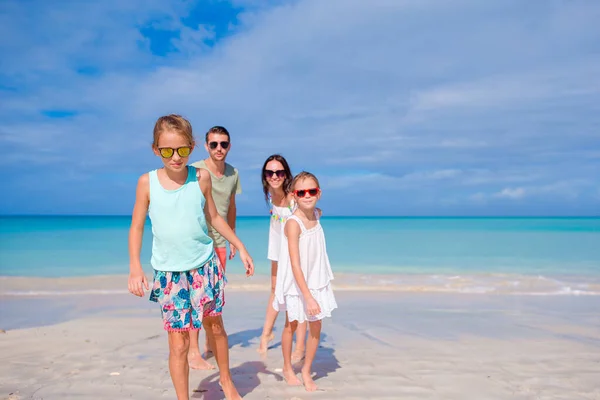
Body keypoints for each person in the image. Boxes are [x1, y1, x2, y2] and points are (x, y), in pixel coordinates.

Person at [127, 114, 253, 400]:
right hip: (170, 275)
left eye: (182, 150)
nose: (175, 157)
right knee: (179, 344)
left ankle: (226, 380)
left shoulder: (201, 177)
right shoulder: (146, 183)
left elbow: (213, 217)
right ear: (155, 149)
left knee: (216, 326)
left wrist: (240, 245)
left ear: (192, 147)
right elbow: (136, 226)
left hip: (204, 267)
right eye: (167, 151)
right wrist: (135, 267)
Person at [272, 171, 337, 392]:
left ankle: (307, 370)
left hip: (316, 279)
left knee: (316, 324)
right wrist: (307, 296)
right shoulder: (293, 223)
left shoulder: (316, 215)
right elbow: (294, 264)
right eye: (302, 192)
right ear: (294, 195)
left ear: (319, 193)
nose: (307, 195)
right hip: (297, 281)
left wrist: (313, 292)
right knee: (291, 324)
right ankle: (288, 367)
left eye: (312, 191)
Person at [189, 125, 242, 370]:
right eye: (214, 144)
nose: (219, 148)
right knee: (196, 298)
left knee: (214, 296)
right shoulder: (196, 171)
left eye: (223, 144)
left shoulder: (233, 173)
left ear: (229, 146)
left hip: (221, 242)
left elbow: (230, 207)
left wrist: (233, 238)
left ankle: (211, 343)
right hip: (199, 244)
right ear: (206, 146)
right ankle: (193, 352)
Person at [257, 155, 307, 360]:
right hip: (277, 245)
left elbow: (309, 216)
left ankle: (299, 346)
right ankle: (266, 335)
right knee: (275, 289)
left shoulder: (293, 196)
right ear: (265, 176)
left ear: (286, 174)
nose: (275, 176)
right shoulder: (270, 192)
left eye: (279, 172)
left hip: (295, 248)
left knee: (296, 294)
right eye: (270, 172)